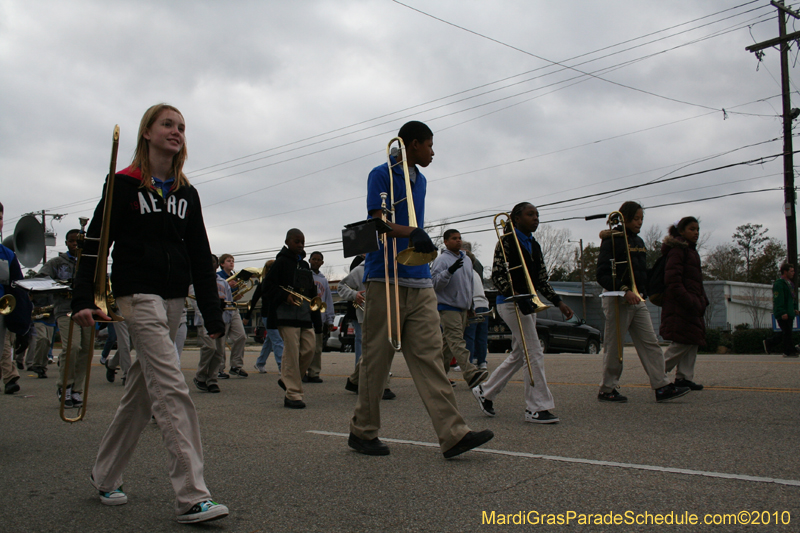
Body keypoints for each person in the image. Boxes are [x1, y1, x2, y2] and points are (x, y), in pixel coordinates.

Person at [71, 103, 229, 524]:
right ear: (147, 132)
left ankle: (104, 474)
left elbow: (199, 253)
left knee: (143, 393)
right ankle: (192, 494)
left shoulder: (186, 192)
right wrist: (83, 298)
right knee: (172, 387)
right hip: (136, 294)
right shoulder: (122, 184)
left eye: (181, 127)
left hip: (175, 297)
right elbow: (95, 243)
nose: (176, 132)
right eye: (167, 124)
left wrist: (212, 315)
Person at [349, 121, 493, 458]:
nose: (432, 152)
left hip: (419, 278)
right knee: (377, 359)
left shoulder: (422, 180)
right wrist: (412, 231)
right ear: (413, 145)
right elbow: (377, 220)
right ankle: (363, 431)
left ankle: (453, 434)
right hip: (384, 276)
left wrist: (416, 237)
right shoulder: (380, 173)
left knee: (430, 356)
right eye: (429, 145)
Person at [472, 203, 570, 424]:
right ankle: (536, 407)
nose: (536, 218)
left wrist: (559, 302)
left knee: (520, 353)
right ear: (516, 219)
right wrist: (512, 291)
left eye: (537, 214)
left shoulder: (534, 244)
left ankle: (485, 391)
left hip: (529, 303)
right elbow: (497, 274)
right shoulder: (506, 241)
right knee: (533, 351)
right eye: (530, 214)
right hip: (510, 302)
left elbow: (542, 279)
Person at [596, 201, 690, 403]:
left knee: (651, 343)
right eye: (636, 219)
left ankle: (662, 386)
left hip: (636, 299)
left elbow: (640, 272)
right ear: (625, 218)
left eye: (641, 219)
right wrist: (624, 290)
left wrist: (644, 290)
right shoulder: (612, 240)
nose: (639, 222)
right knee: (615, 347)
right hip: (617, 299)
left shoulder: (638, 241)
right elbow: (602, 273)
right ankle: (607, 388)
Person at [262, 229, 317, 408]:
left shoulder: (305, 265)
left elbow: (310, 290)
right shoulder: (281, 262)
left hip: (303, 313)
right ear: (287, 241)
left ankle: (287, 379)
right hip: (285, 314)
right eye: (296, 241)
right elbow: (267, 286)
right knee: (292, 352)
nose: (300, 245)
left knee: (310, 348)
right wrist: (285, 296)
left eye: (303, 241)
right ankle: (293, 394)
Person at [39, 229, 92, 408]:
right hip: (65, 308)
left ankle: (77, 390)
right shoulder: (56, 262)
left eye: (78, 242)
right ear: (67, 243)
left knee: (86, 349)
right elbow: (42, 278)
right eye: (72, 241)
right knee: (72, 346)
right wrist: (62, 285)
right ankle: (65, 387)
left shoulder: (89, 262)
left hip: (86, 308)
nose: (75, 244)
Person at [431, 229, 488, 388]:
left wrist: (470, 305)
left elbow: (469, 284)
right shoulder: (442, 260)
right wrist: (449, 272)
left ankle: (437, 376)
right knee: (457, 341)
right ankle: (471, 373)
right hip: (448, 307)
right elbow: (434, 283)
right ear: (446, 242)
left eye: (459, 238)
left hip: (463, 308)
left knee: (447, 347)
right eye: (454, 238)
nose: (458, 241)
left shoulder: (467, 260)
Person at [660, 217, 709, 390]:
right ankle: (658, 371)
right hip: (680, 304)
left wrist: (702, 299)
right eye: (691, 229)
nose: (696, 233)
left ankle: (684, 378)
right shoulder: (678, 250)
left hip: (693, 303)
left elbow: (696, 281)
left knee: (692, 339)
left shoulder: (691, 251)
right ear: (681, 231)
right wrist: (688, 299)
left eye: (697, 229)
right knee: (682, 342)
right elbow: (672, 279)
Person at [339, 255, 395, 399]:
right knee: (375, 351)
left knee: (379, 351)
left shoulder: (392, 268)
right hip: (366, 316)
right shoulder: (361, 269)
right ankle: (383, 386)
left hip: (387, 314)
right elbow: (341, 287)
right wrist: (354, 294)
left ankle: (355, 380)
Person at [192, 256, 233, 394]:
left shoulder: (223, 282)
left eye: (213, 264)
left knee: (219, 351)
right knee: (209, 347)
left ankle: (212, 380)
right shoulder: (196, 282)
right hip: (205, 321)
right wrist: (206, 319)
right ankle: (200, 376)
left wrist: (227, 318)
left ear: (217, 267)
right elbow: (196, 304)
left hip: (221, 320)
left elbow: (228, 301)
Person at [0, 201, 24, 394]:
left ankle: (8, 378)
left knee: (2, 348)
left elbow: (17, 284)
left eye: (0, 218)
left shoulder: (7, 254)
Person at [244, 259, 284, 373]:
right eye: (270, 268)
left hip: (278, 314)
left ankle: (260, 363)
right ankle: (282, 366)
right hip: (267, 315)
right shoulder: (264, 283)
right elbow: (254, 300)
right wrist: (247, 316)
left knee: (270, 341)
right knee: (277, 340)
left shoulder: (281, 283)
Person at [304, 251, 334, 383]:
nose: (316, 262)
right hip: (307, 318)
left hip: (319, 319)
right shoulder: (306, 275)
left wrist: (329, 319)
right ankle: (303, 371)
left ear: (322, 263)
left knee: (317, 348)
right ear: (309, 260)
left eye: (318, 260)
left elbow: (328, 300)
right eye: (313, 259)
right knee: (306, 348)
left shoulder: (323, 280)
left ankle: (314, 373)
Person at [217, 254, 247, 378]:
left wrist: (237, 295)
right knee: (220, 341)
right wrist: (228, 286)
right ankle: (218, 368)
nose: (231, 263)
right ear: (222, 264)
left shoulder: (234, 276)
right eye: (228, 261)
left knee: (241, 336)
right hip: (222, 309)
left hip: (233, 308)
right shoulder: (219, 277)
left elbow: (232, 294)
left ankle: (236, 366)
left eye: (233, 261)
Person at [765, 263, 799, 357]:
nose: (793, 273)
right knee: (787, 332)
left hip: (790, 312)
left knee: (787, 332)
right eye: (791, 271)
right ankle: (788, 351)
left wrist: (795, 308)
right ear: (785, 271)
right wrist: (782, 312)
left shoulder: (790, 284)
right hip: (783, 312)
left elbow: (792, 298)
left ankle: (769, 343)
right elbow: (778, 299)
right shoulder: (779, 284)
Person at [463, 248, 489, 370]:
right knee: (481, 336)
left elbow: (466, 291)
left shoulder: (465, 273)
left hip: (474, 305)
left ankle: (469, 361)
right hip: (484, 305)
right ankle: (482, 361)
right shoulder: (476, 273)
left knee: (469, 336)